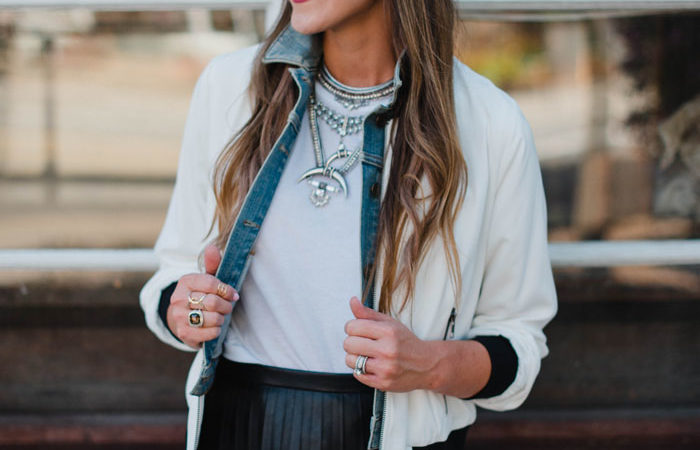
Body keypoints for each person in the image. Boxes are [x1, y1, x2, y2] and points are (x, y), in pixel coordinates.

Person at [140, 1, 557, 449]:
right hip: (237, 423)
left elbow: (517, 345)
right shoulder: (228, 88)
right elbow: (172, 277)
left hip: (390, 434)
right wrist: (186, 309)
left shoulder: (491, 124)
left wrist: (431, 364)